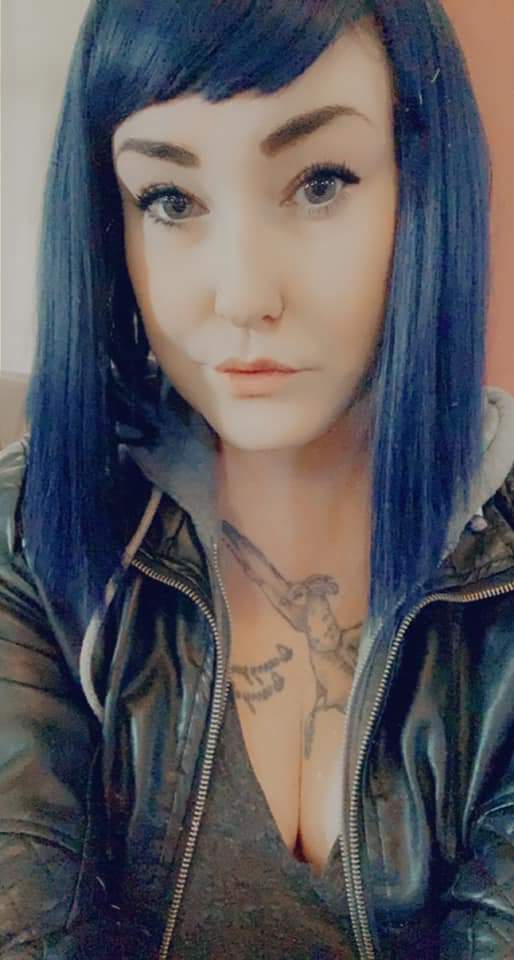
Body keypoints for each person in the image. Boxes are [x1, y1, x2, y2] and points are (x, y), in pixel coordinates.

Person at [0, 0, 513, 957]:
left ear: (424, 188)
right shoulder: (31, 539)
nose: (243, 295)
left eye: (320, 183)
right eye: (170, 200)